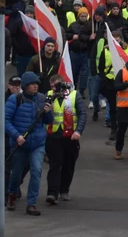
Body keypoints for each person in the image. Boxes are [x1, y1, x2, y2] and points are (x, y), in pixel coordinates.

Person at [5, 72, 52, 216]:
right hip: (20, 144)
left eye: (37, 84)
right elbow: (5, 120)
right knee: (16, 174)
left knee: (37, 171)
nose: (36, 86)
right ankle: (12, 194)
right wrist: (17, 136)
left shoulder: (42, 99)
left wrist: (48, 112)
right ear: (25, 86)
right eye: (32, 84)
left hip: (37, 144)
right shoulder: (15, 99)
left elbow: (48, 121)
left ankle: (31, 203)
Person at [44, 75, 85, 205]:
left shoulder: (74, 95)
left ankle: (64, 190)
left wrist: (78, 131)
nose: (54, 89)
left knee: (69, 165)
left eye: (56, 86)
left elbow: (82, 114)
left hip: (70, 136)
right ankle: (52, 193)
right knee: (55, 164)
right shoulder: (49, 95)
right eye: (52, 87)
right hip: (54, 135)